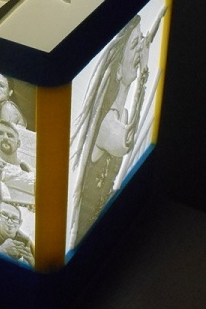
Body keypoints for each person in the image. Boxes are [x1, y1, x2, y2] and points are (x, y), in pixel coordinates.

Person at [69, 15, 149, 247]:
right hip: (86, 229)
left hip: (102, 221)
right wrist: (144, 75)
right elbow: (127, 142)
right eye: (134, 45)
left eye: (141, 42)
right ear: (118, 71)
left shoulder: (122, 115)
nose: (140, 50)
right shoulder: (108, 123)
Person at [0, 202, 34, 267]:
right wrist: (1, 251)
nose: (9, 221)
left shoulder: (26, 241)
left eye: (15, 218)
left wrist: (32, 263)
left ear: (20, 223)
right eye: (5, 215)